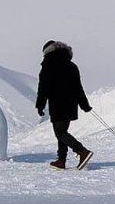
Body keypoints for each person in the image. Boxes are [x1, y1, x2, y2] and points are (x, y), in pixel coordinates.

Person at [35, 40, 94, 170]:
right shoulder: (72, 66)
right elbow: (78, 87)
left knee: (60, 133)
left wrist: (40, 104)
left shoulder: (48, 64)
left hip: (57, 103)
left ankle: (82, 151)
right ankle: (61, 161)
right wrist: (84, 105)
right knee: (62, 132)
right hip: (70, 104)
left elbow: (43, 87)